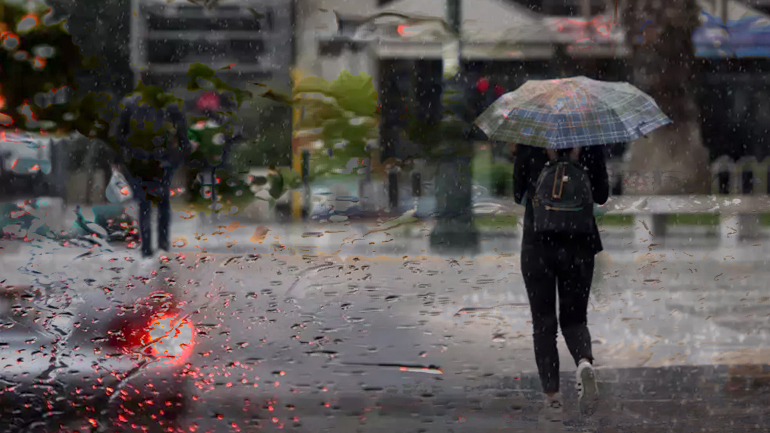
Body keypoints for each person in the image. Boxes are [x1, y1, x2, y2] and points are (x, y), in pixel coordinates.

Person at [513, 144, 609, 421]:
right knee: (575, 318)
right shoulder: (590, 142)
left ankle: (552, 397)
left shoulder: (529, 143)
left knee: (543, 323)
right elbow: (601, 195)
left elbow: (518, 194)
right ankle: (583, 363)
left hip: (538, 242)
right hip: (580, 241)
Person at [111, 95, 192, 260]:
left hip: (139, 159)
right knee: (161, 201)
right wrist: (182, 154)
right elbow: (182, 133)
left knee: (145, 202)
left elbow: (119, 134)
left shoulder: (131, 104)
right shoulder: (169, 104)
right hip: (162, 159)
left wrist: (119, 157)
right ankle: (161, 245)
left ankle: (148, 248)